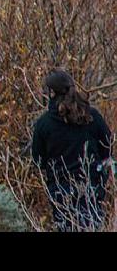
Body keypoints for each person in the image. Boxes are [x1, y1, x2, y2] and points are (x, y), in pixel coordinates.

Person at [32, 69, 113, 231]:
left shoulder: (43, 124)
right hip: (92, 188)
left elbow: (38, 160)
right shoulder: (92, 116)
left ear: (52, 93)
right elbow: (107, 147)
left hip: (60, 192)